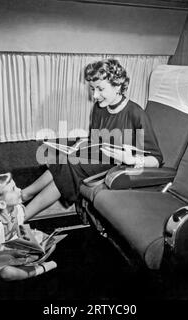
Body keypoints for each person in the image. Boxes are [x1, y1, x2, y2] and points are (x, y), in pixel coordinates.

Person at [21, 58, 163, 220]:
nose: (95, 95)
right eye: (92, 89)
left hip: (119, 166)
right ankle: (24, 195)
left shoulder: (136, 114)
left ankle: (23, 215)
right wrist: (80, 145)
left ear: (117, 86)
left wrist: (131, 159)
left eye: (100, 89)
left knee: (72, 165)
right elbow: (95, 141)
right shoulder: (99, 108)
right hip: (100, 156)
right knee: (65, 157)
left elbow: (157, 159)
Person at [0, 169, 56, 284]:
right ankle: (38, 269)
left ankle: (28, 262)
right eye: (13, 189)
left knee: (51, 243)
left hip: (15, 243)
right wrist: (10, 252)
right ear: (1, 204)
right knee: (7, 273)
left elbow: (19, 228)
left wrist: (28, 242)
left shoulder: (18, 209)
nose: (19, 190)